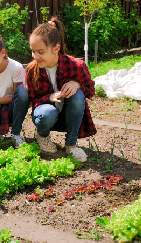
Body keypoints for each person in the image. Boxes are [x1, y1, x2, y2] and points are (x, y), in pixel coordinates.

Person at [26, 17, 97, 162]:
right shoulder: (32, 70)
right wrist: (49, 97)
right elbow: (33, 101)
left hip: (68, 117)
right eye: (33, 51)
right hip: (46, 117)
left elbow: (90, 91)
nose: (35, 56)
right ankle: (42, 136)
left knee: (78, 96)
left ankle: (71, 145)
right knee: (47, 111)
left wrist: (77, 85)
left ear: (56, 49)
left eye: (40, 52)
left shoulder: (76, 66)